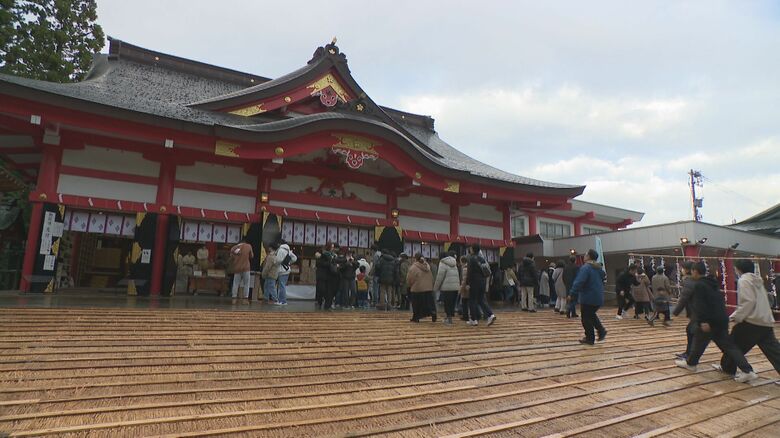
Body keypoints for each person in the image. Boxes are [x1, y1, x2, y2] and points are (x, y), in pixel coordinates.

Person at [675, 261, 758, 383]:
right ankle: (748, 370)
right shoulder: (713, 284)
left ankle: (691, 364)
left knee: (698, 343)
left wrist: (703, 320)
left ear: (695, 271)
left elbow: (700, 305)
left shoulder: (699, 285)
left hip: (709, 321)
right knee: (729, 347)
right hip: (721, 320)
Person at [716, 259, 780, 377]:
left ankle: (730, 368)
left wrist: (736, 317)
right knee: (775, 352)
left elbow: (748, 301)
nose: (735, 270)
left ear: (739, 269)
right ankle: (728, 367)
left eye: (735, 268)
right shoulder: (758, 281)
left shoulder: (744, 280)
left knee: (732, 344)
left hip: (752, 321)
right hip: (765, 321)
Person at [569, 249, 607, 345]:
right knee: (591, 315)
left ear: (589, 256)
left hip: (588, 296)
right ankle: (601, 331)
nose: (584, 255)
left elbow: (579, 281)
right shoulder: (598, 268)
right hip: (598, 296)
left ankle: (590, 338)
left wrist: (572, 293)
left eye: (586, 254)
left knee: (586, 318)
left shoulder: (586, 268)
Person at [467, 243, 496, 326]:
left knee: (472, 300)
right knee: (481, 300)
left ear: (472, 249)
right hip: (482, 281)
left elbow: (470, 272)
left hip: (474, 281)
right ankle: (490, 315)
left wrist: (468, 283)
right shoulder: (482, 258)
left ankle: (474, 319)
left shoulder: (471, 259)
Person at [672, 261, 697, 360]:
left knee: (693, 332)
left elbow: (684, 298)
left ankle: (690, 356)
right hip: (698, 312)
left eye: (682, 268)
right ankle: (689, 353)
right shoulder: (692, 280)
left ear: (687, 270)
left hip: (698, 312)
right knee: (691, 331)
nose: (681, 270)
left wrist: (675, 312)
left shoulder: (689, 281)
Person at [406, 254, 436, 323]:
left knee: (416, 304)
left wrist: (410, 285)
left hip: (417, 288)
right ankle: (433, 312)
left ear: (415, 259)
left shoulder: (413, 267)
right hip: (428, 288)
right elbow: (431, 278)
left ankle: (416, 317)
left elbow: (409, 278)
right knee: (429, 303)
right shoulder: (427, 267)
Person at [434, 250, 461, 325]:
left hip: (447, 287)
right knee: (452, 304)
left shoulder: (442, 263)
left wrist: (435, 288)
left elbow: (440, 276)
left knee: (447, 304)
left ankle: (449, 320)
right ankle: (449, 318)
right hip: (455, 287)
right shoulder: (454, 263)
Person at [229, 238, 254, 303]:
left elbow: (231, 257)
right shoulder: (248, 246)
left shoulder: (233, 248)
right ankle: (245, 299)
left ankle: (234, 299)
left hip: (237, 268)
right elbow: (252, 256)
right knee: (246, 284)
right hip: (246, 268)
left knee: (236, 283)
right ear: (245, 242)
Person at [274, 240, 296, 306]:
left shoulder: (280, 250)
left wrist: (275, 263)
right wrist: (288, 262)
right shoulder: (288, 250)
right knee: (282, 285)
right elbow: (295, 258)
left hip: (281, 270)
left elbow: (278, 260)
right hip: (287, 269)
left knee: (281, 286)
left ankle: (282, 301)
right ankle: (281, 300)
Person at [459, 255, 471, 322]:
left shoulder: (465, 268)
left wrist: (461, 289)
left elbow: (464, 280)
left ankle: (465, 316)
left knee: (464, 303)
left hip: (465, 289)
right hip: (468, 288)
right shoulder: (468, 267)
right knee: (467, 302)